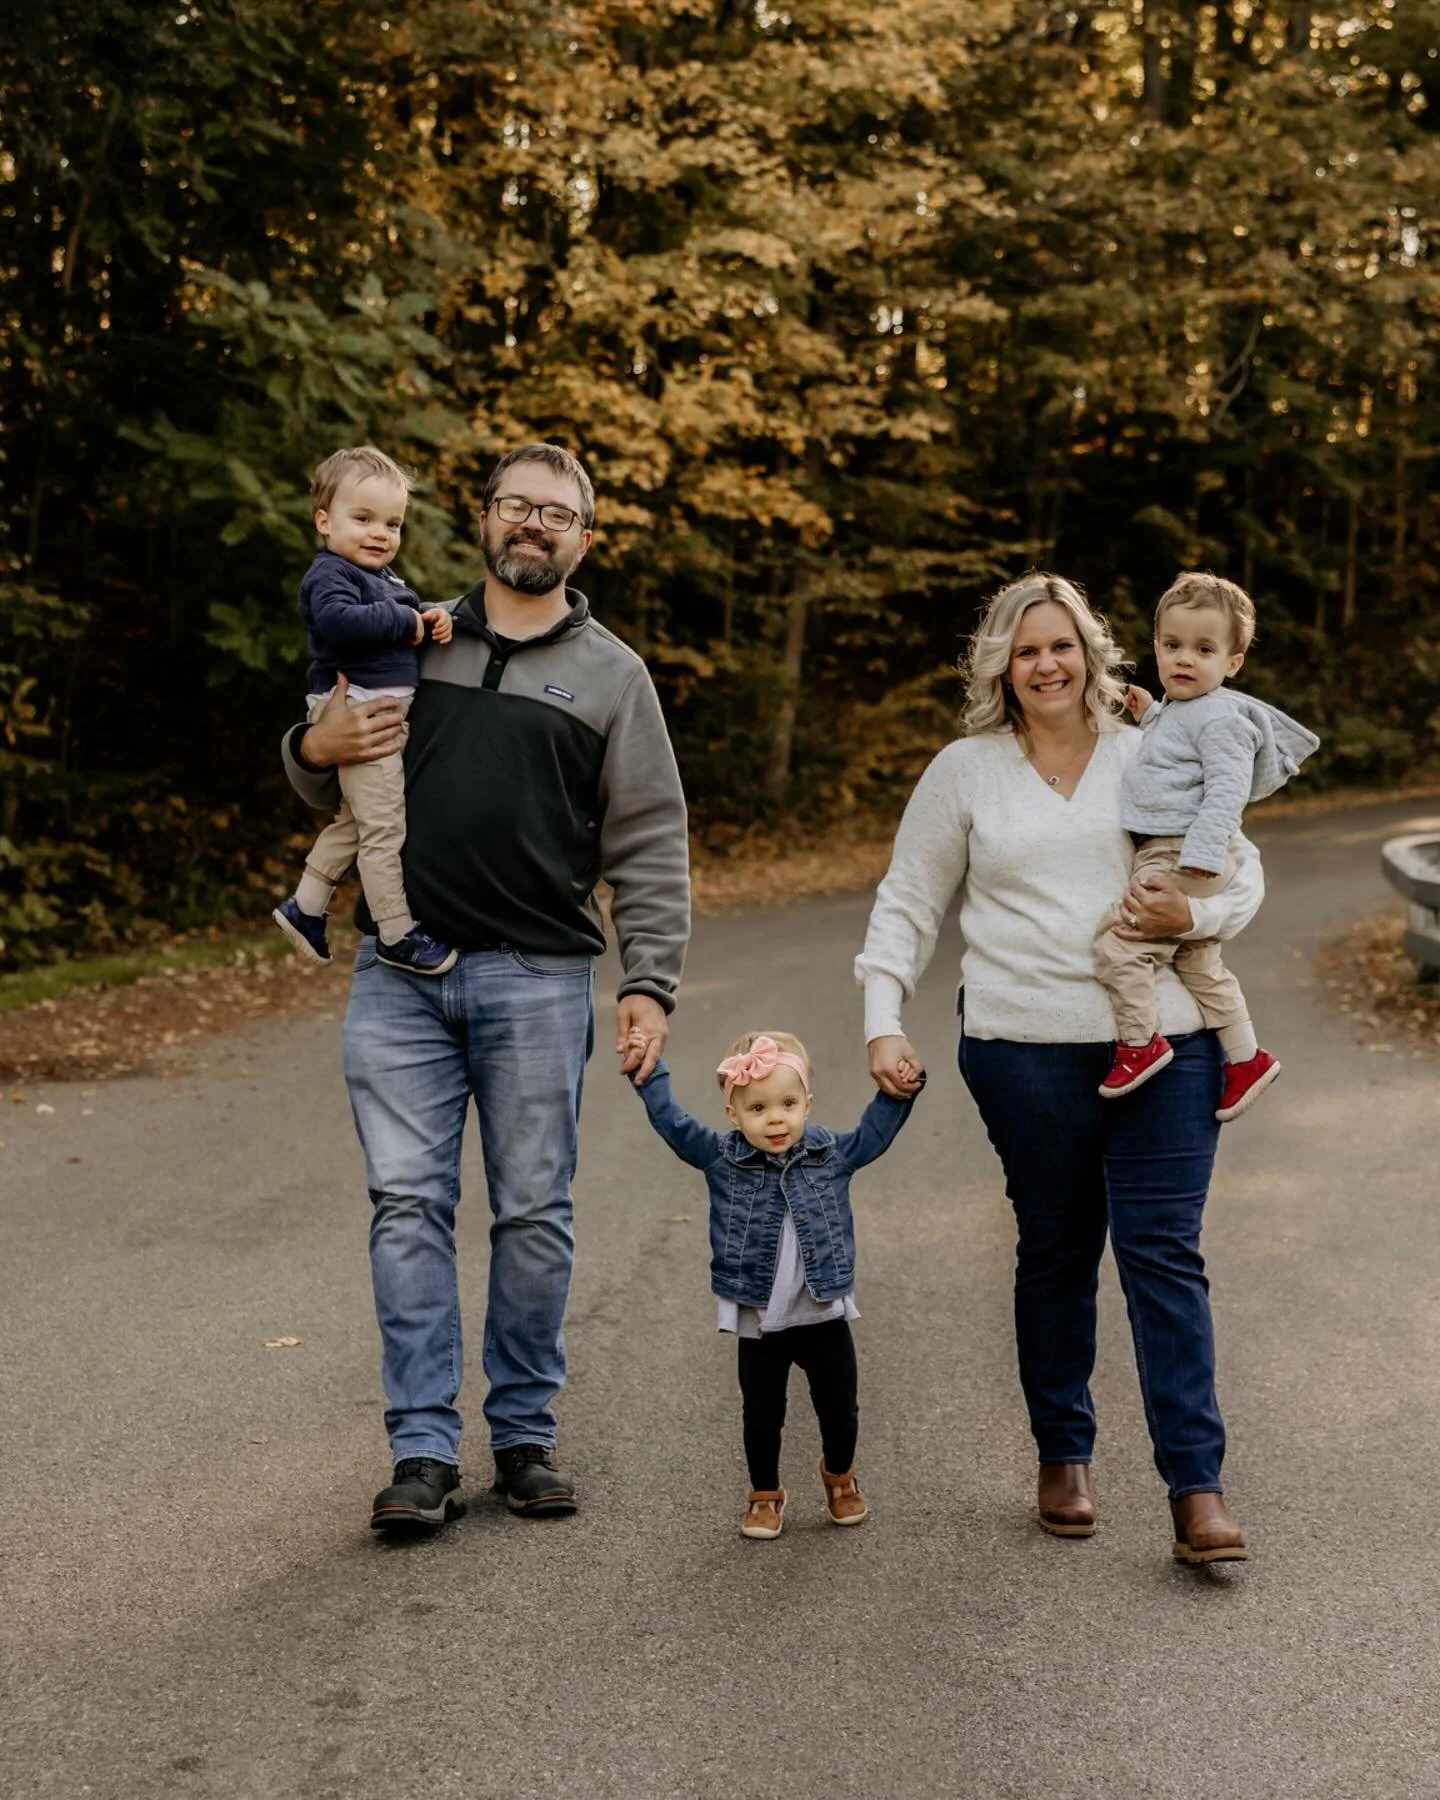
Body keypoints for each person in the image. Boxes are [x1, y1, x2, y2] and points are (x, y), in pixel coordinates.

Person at [281, 442, 690, 1533]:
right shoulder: (411, 628)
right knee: (407, 1208)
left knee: (535, 1214)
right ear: (487, 518)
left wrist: (648, 978)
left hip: (540, 977)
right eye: (518, 505)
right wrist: (306, 745)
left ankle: (522, 1436)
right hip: (400, 978)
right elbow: (331, 756)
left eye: (558, 514)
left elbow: (649, 839)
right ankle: (420, 1453)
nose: (534, 525)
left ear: (583, 539)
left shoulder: (613, 674)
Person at [856, 571, 1264, 1564]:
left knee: (1163, 1255)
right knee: (1056, 1247)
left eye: (1063, 645)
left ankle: (1196, 1488)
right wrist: (882, 1017)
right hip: (1022, 1052)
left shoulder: (1155, 746)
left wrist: (1195, 917)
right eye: (1027, 648)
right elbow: (909, 901)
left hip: (1166, 1043)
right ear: (1002, 662)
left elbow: (1241, 870)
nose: (1047, 663)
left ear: (1092, 652)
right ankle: (1063, 1454)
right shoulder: (965, 770)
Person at [627, 1030, 922, 1538]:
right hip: (759, 1319)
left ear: (807, 1103)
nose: (775, 1118)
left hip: (823, 1312)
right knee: (762, 1414)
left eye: (788, 1103)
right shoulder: (722, 1159)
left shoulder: (832, 1156)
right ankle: (764, 1494)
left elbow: (876, 1130)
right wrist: (649, 1075)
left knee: (840, 1409)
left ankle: (839, 1475)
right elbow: (674, 1124)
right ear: (734, 1116)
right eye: (758, 1107)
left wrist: (899, 1090)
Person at [1094, 571, 1318, 1117]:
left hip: (1181, 850)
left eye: (1203, 649)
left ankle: (1140, 1042)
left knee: (1117, 943)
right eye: (1172, 646)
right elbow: (1175, 754)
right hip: (1177, 846)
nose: (1184, 660)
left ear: (1232, 663)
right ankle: (1245, 1058)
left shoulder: (1222, 719)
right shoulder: (1183, 710)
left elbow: (1224, 795)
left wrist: (1196, 860)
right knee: (1199, 963)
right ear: (1156, 646)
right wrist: (1149, 713)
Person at [272, 446, 460, 977]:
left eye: (393, 522)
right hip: (358, 714)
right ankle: (397, 932)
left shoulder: (386, 579)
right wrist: (408, 621)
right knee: (384, 832)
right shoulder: (330, 575)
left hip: (380, 714)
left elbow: (399, 633)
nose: (380, 532)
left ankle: (304, 907)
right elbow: (340, 624)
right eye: (364, 518)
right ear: (324, 521)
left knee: (356, 822)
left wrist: (430, 623)